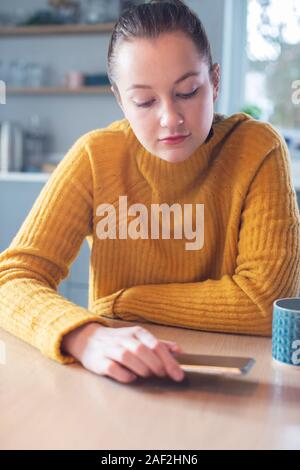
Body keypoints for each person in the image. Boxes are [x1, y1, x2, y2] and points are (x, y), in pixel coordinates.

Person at [0, 0, 299, 385]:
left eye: (188, 91)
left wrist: (124, 302)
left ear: (216, 81)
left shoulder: (258, 149)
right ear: (120, 100)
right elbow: (11, 279)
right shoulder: (95, 157)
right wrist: (85, 335)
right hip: (119, 375)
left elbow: (264, 304)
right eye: (144, 101)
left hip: (234, 374)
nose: (170, 118)